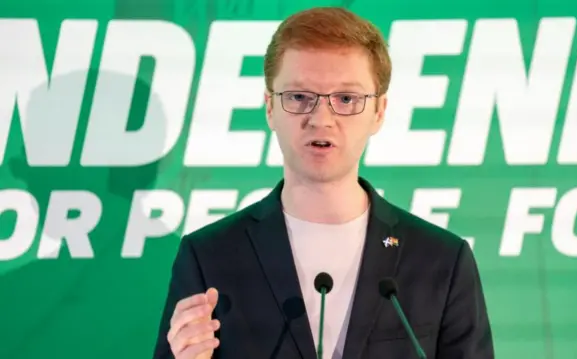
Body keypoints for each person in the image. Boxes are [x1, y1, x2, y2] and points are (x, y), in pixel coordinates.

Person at [152, 6, 494, 359]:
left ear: (379, 111)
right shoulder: (210, 257)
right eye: (300, 97)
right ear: (270, 107)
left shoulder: (440, 261)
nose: (321, 119)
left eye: (346, 99)